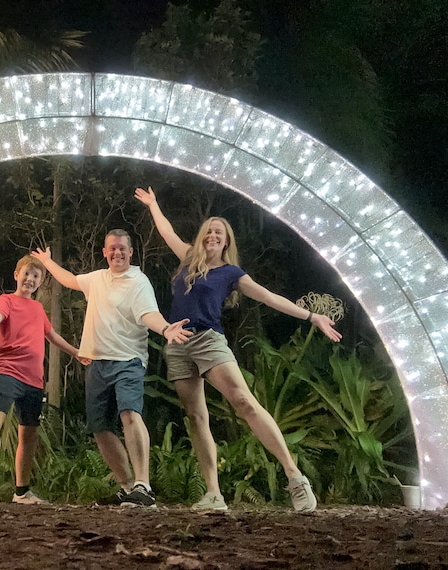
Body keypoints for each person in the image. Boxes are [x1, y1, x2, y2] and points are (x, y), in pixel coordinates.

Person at [135, 186, 342, 513]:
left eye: (219, 232)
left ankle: (294, 476)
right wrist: (153, 205)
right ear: (202, 238)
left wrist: (311, 315)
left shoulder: (231, 273)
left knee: (244, 401)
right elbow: (167, 231)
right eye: (209, 231)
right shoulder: (187, 258)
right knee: (196, 416)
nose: (213, 235)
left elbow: (268, 297)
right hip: (178, 343)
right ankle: (213, 494)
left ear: (226, 242)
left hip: (209, 341)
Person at [31, 230, 192, 509]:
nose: (117, 253)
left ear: (130, 252)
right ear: (105, 252)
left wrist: (166, 328)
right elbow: (69, 280)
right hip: (96, 361)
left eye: (122, 249)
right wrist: (47, 262)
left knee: (129, 413)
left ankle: (143, 486)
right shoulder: (96, 279)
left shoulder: (138, 282)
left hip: (128, 359)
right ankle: (127, 487)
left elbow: (148, 314)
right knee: (99, 427)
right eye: (112, 249)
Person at [0, 255, 87, 505]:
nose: (30, 279)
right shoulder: (7, 300)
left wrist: (76, 352)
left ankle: (21, 492)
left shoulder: (38, 309)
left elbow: (52, 336)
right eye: (26, 273)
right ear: (16, 275)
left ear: (40, 282)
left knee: (29, 434)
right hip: (8, 372)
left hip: (34, 380)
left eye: (36, 276)